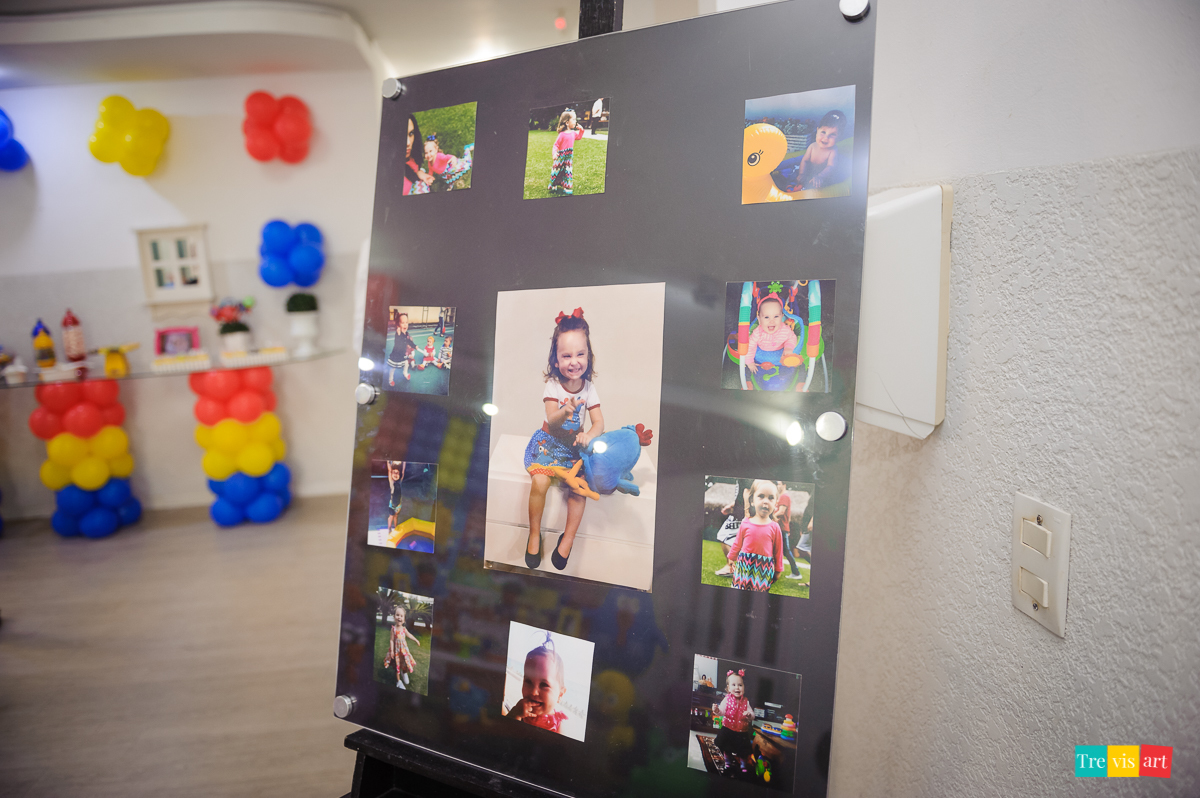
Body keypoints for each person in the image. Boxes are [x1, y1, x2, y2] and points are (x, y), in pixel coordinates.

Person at [523, 308, 604, 570]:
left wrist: (589, 435)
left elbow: (599, 422)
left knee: (579, 489)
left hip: (572, 450)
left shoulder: (589, 388)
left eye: (580, 354)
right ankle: (534, 533)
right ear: (556, 360)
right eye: (566, 355)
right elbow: (551, 419)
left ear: (588, 357)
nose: (574, 361)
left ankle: (567, 539)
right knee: (539, 482)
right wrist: (565, 410)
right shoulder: (553, 387)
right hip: (549, 444)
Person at [505, 633, 572, 735]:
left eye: (544, 685)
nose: (534, 692)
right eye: (528, 681)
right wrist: (515, 713)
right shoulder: (520, 711)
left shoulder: (557, 724)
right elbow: (505, 730)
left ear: (560, 694)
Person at [726, 480, 785, 592]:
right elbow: (737, 543)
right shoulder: (745, 522)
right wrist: (731, 558)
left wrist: (778, 570)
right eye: (761, 496)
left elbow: (778, 552)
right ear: (752, 501)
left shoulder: (775, 527)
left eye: (771, 498)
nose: (765, 502)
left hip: (763, 570)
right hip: (744, 567)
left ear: (776, 503)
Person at [711, 669, 755, 774]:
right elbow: (722, 711)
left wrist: (749, 715)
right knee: (727, 748)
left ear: (744, 688)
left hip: (742, 731)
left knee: (743, 750)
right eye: (734, 685)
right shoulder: (726, 699)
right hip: (728, 729)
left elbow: (752, 715)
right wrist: (717, 710)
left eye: (740, 685)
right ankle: (728, 762)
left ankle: (743, 765)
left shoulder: (746, 701)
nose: (737, 687)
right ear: (728, 688)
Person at [745, 293, 798, 378]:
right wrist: (749, 361)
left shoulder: (785, 330)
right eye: (766, 317)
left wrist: (788, 347)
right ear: (759, 319)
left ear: (781, 317)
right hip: (762, 358)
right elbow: (750, 346)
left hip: (781, 356)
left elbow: (792, 337)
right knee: (754, 370)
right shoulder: (757, 332)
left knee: (789, 369)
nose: (771, 321)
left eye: (776, 316)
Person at [793, 110, 846, 192]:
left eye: (832, 134)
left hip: (823, 176)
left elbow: (831, 166)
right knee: (793, 177)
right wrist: (801, 174)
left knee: (822, 185)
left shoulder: (833, 150)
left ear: (839, 137)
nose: (826, 138)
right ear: (817, 131)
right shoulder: (812, 146)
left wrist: (820, 176)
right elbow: (805, 161)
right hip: (809, 172)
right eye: (823, 132)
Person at [713, 482, 750, 577]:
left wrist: (746, 515)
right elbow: (742, 496)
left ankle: (731, 567)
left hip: (742, 514)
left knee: (723, 535)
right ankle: (737, 567)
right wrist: (732, 505)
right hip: (741, 512)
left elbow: (748, 492)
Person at [774, 481, 807, 582]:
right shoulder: (782, 497)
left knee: (786, 551)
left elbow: (781, 512)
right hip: (781, 527)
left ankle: (796, 572)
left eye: (779, 484)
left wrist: (770, 518)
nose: (777, 486)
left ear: (784, 485)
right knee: (783, 550)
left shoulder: (784, 497)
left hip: (781, 527)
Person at [382, 605, 421, 690]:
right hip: (396, 651)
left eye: (401, 616)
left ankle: (404, 673)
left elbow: (409, 635)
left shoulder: (404, 629)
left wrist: (416, 640)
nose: (399, 617)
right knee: (397, 666)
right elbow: (391, 640)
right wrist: (392, 651)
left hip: (403, 651)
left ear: (404, 619)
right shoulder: (393, 629)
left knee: (405, 664)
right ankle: (398, 681)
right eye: (397, 615)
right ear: (394, 616)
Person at [547, 109, 585, 196]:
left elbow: (579, 137)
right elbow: (555, 145)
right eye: (574, 119)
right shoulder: (562, 135)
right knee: (557, 171)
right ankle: (553, 185)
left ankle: (566, 187)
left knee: (567, 171)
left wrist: (581, 130)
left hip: (568, 157)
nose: (576, 121)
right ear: (567, 123)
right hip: (560, 156)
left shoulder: (573, 133)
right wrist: (554, 153)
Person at [403, 114, 433, 196]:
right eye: (402, 135)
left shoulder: (411, 157)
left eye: (411, 133)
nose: (408, 143)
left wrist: (418, 173)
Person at [385, 310, 416, 386]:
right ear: (398, 325)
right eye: (402, 323)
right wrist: (398, 333)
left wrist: (414, 346)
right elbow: (398, 341)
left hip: (402, 355)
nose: (405, 325)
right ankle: (390, 380)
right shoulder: (398, 334)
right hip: (396, 355)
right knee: (393, 368)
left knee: (406, 364)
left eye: (406, 322)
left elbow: (409, 341)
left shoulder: (407, 334)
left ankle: (405, 374)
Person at [386, 461, 406, 540]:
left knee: (396, 516)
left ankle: (395, 527)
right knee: (391, 516)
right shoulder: (391, 482)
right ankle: (389, 528)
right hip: (392, 505)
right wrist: (388, 462)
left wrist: (404, 462)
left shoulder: (400, 482)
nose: (395, 474)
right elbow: (389, 471)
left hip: (398, 505)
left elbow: (403, 471)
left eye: (397, 473)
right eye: (394, 473)